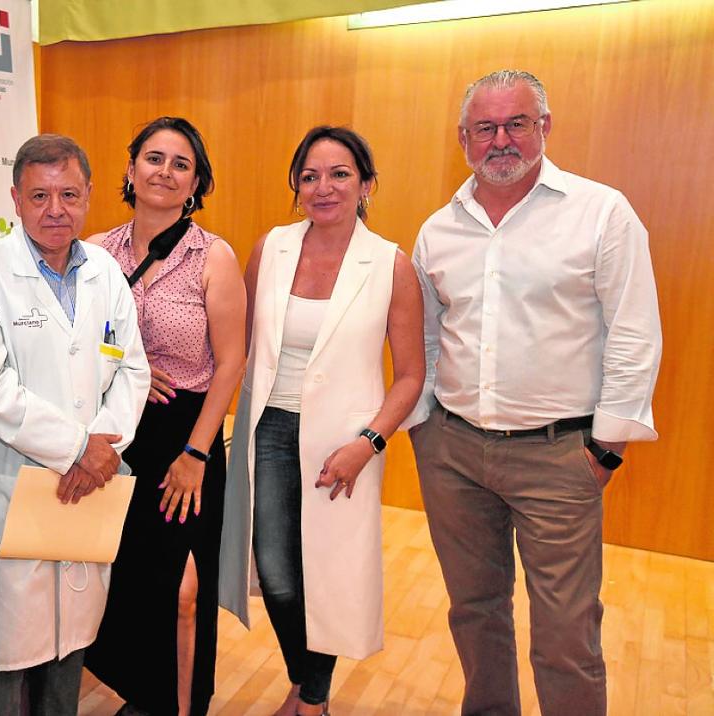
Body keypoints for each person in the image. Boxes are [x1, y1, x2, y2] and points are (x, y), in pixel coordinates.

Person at [410, 69, 662, 716]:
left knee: (566, 637)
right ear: (463, 138)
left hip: (559, 458)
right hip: (454, 454)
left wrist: (605, 447)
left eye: (516, 123)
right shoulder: (439, 230)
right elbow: (432, 341)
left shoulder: (602, 212)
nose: (501, 140)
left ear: (544, 127)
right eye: (485, 128)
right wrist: (427, 430)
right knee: (474, 614)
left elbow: (634, 332)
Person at [220, 126, 425, 716]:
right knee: (278, 574)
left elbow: (410, 374)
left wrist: (370, 442)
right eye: (310, 176)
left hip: (343, 444)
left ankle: (312, 699)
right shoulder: (273, 248)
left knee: (329, 574)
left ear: (365, 184)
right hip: (269, 432)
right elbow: (234, 337)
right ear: (296, 185)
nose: (324, 187)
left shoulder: (390, 264)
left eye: (339, 174)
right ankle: (304, 678)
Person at [0, 133, 151, 715]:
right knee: (5, 651)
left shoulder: (107, 273)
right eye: (40, 195)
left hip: (90, 479)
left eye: (69, 194)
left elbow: (133, 371)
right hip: (16, 483)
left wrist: (103, 450)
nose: (55, 210)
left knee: (72, 643)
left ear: (90, 195)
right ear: (15, 199)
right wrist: (76, 449)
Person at [83, 117, 246, 716]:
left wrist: (197, 455)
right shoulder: (95, 252)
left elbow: (231, 364)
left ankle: (182, 705)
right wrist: (128, 366)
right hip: (118, 434)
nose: (165, 171)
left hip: (186, 439)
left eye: (181, 164)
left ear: (196, 182)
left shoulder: (215, 256)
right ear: (130, 169)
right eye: (154, 158)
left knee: (183, 588)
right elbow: (76, 345)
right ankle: (144, 694)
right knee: (125, 577)